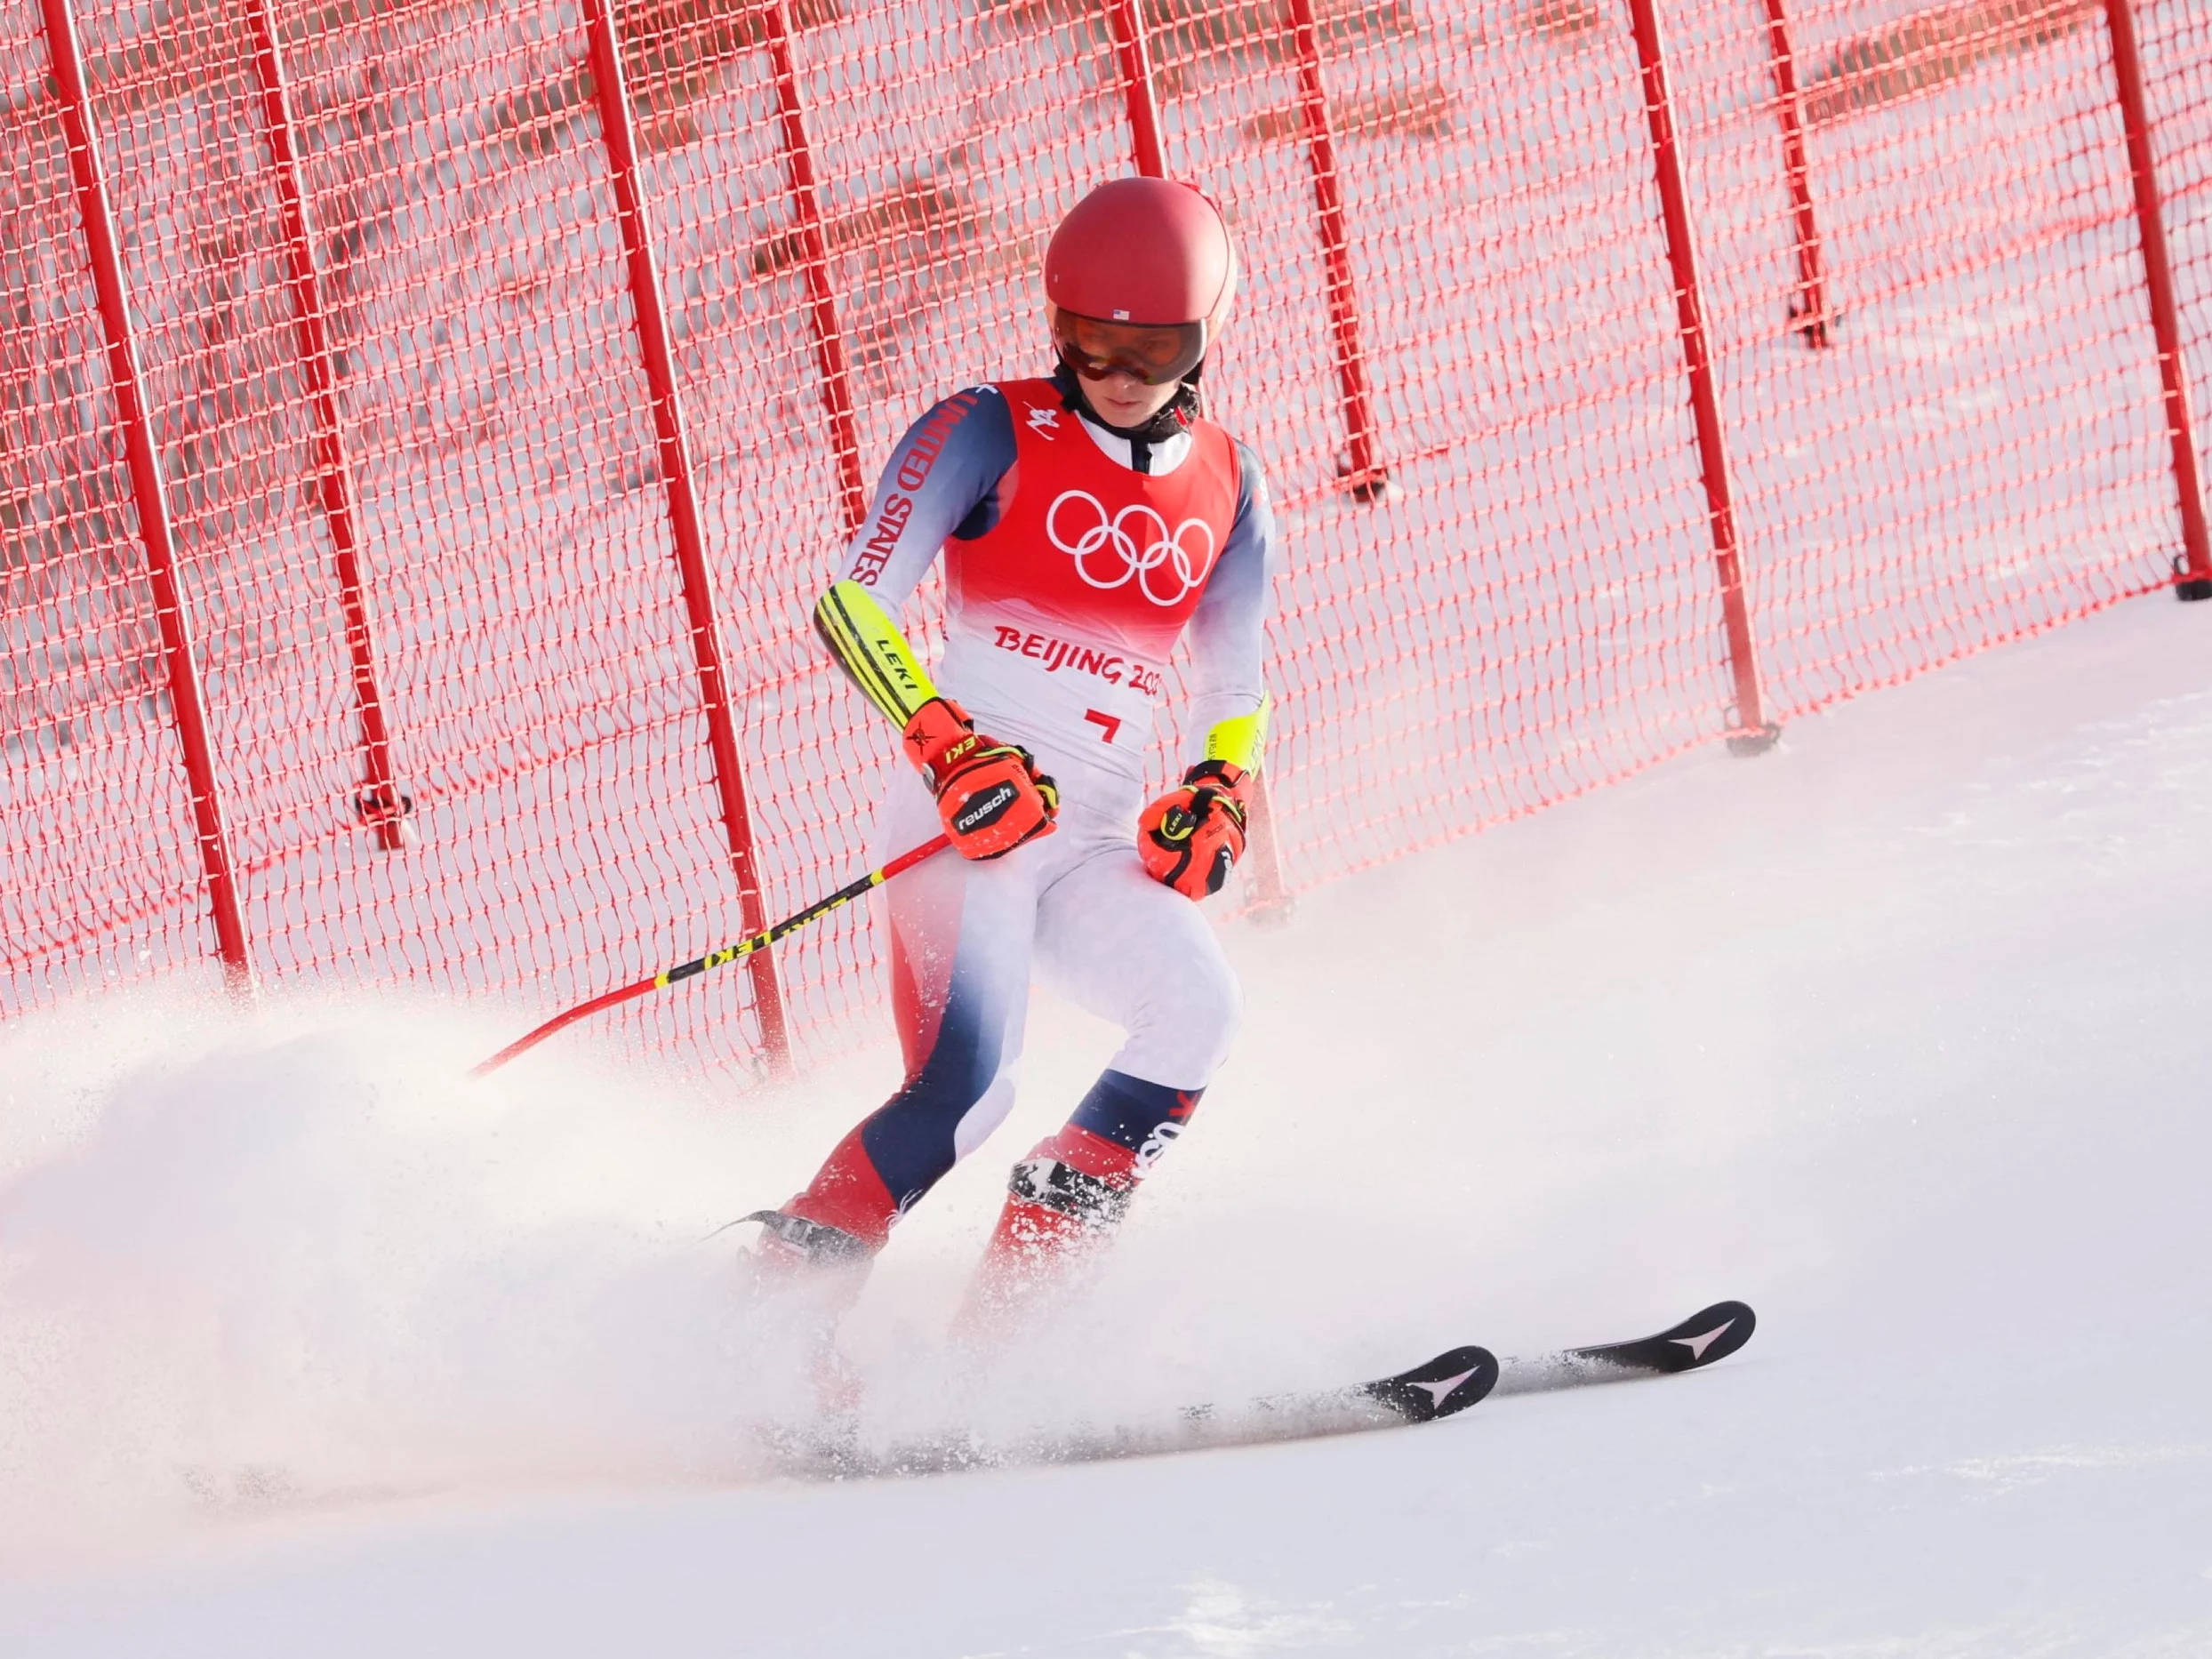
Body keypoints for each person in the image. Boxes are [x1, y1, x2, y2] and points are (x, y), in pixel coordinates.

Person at [743, 176, 1281, 1340]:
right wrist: (946, 744)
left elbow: (1235, 687)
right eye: (1094, 341)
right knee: (967, 1090)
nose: (1121, 372)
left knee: (1196, 1011)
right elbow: (852, 605)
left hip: (1088, 836)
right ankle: (763, 1329)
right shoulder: (985, 423)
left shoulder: (1231, 486)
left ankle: (1008, 1340)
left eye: (1154, 346)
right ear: (1058, 325)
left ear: (1206, 338)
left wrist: (1215, 790)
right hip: (969, 816)